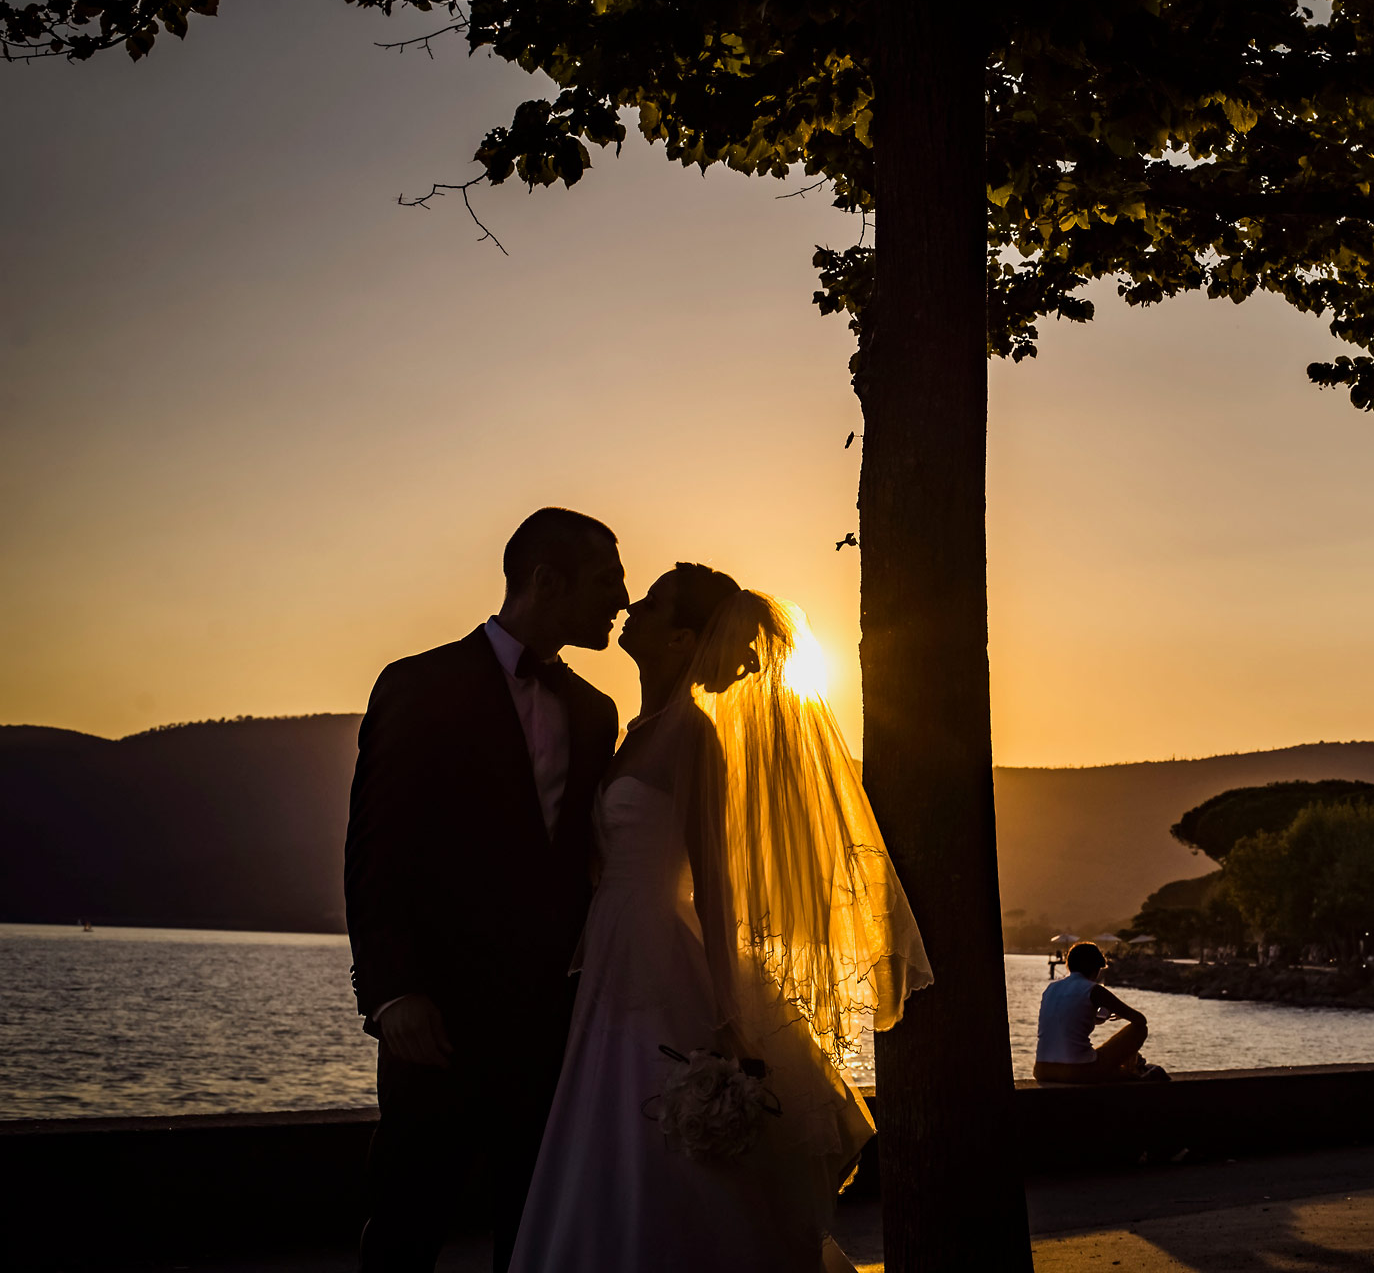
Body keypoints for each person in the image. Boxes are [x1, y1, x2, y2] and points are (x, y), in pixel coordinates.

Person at [509, 564, 933, 1272]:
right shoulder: (637, 727)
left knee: (661, 1123)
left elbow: (716, 883)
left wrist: (730, 1014)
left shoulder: (695, 738)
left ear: (680, 638)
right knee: (609, 1119)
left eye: (649, 602)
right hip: (615, 953)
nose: (630, 609)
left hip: (659, 959)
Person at [345, 508, 629, 1273]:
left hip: (551, 1026)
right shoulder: (419, 684)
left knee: (535, 1230)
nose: (624, 599)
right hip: (435, 1019)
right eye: (608, 581)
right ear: (545, 581)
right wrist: (393, 991)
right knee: (407, 1220)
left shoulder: (596, 713)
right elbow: (378, 848)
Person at [1033, 941, 1168, 1083]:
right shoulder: (1094, 989)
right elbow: (1140, 1020)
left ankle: (1128, 1069)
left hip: (1042, 1070)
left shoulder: (1050, 989)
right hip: (1078, 1070)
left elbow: (1070, 1021)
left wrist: (1096, 1018)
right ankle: (1132, 1069)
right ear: (1095, 969)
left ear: (1069, 965)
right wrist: (1122, 1013)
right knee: (1140, 1029)